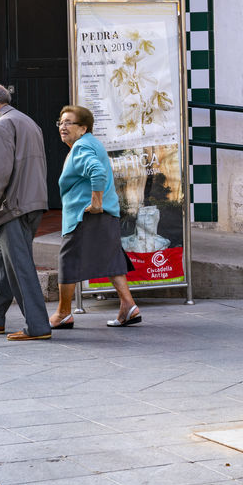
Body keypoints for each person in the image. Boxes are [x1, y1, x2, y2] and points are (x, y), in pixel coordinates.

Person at [0, 83, 52, 341]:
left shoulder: (0, 126)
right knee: (0, 260)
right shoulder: (27, 121)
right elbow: (21, 165)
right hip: (32, 201)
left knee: (19, 266)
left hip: (13, 206)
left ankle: (38, 326)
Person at [50, 105, 142, 329]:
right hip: (104, 215)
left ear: (83, 128)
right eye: (61, 122)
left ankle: (63, 313)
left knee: (68, 260)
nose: (63, 127)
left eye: (68, 123)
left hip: (85, 217)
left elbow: (97, 171)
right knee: (111, 259)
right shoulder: (89, 143)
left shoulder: (81, 147)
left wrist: (96, 201)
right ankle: (128, 306)